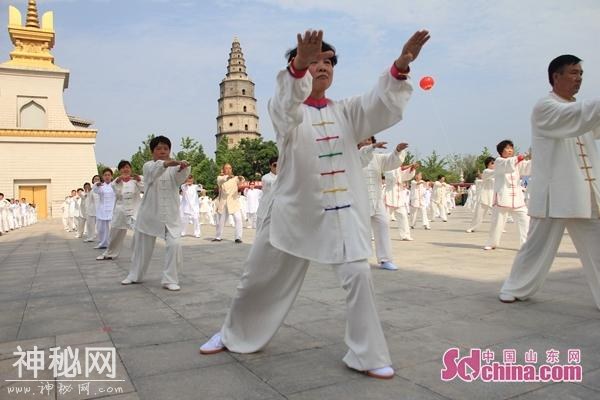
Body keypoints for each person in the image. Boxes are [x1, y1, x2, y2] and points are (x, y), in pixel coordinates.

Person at [199, 29, 430, 379]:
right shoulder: (289, 113)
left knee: (358, 275)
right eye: (315, 61)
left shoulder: (348, 112)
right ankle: (233, 335)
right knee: (257, 279)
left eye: (328, 62)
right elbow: (282, 106)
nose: (322, 67)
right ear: (301, 67)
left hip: (342, 215)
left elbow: (380, 104)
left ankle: (366, 355)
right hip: (293, 212)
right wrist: (297, 67)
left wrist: (400, 66)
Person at [499, 54, 600, 306]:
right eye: (573, 73)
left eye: (581, 74)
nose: (579, 79)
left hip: (583, 192)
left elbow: (590, 120)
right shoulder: (545, 107)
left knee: (597, 247)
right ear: (556, 76)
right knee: (536, 248)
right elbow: (577, 116)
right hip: (555, 194)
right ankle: (515, 287)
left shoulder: (577, 110)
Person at [121, 136, 190, 291]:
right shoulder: (148, 166)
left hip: (170, 216)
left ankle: (169, 279)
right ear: (152, 151)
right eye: (158, 149)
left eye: (166, 148)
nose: (162, 151)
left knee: (174, 244)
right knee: (142, 249)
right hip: (150, 215)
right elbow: (154, 172)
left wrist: (182, 168)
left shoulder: (174, 167)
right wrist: (167, 164)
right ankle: (135, 275)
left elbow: (179, 179)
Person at [359, 136, 409, 270]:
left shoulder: (378, 158)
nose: (367, 141)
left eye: (370, 140)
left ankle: (385, 259)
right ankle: (359, 259)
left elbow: (391, 161)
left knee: (383, 225)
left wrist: (397, 151)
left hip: (376, 200)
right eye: (365, 139)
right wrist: (371, 147)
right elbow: (361, 156)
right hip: (358, 201)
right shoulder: (352, 156)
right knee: (360, 231)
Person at [483, 140, 531, 250]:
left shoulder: (516, 162)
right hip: (503, 198)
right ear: (501, 151)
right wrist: (521, 156)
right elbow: (508, 165)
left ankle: (526, 244)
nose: (510, 150)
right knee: (497, 223)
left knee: (525, 221)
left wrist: (537, 157)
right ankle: (492, 243)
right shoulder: (499, 161)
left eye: (511, 148)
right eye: (507, 148)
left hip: (517, 199)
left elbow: (527, 167)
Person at [97, 160, 143, 260]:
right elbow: (117, 192)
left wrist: (139, 180)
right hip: (120, 211)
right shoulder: (116, 182)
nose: (125, 169)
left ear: (130, 169)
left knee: (139, 234)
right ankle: (110, 253)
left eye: (127, 167)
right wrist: (119, 181)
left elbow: (145, 188)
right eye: (122, 168)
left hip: (135, 211)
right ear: (119, 170)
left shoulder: (136, 180)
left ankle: (137, 256)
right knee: (114, 234)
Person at [384, 163, 417, 242]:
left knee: (403, 216)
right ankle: (376, 235)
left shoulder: (399, 171)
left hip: (399, 198)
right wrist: (406, 167)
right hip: (389, 197)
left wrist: (412, 169)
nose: (400, 165)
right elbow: (394, 174)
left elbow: (406, 176)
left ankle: (405, 235)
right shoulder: (388, 170)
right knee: (384, 219)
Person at [213, 163, 245, 243]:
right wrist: (228, 177)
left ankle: (238, 237)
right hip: (223, 202)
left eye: (230, 168)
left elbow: (241, 180)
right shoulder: (219, 178)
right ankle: (218, 237)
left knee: (238, 219)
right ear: (223, 170)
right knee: (221, 221)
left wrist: (241, 178)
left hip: (233, 202)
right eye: (226, 168)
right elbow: (222, 180)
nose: (228, 170)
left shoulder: (235, 178)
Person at [466, 157, 495, 233]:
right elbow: (495, 173)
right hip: (484, 196)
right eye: (492, 163)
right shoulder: (486, 171)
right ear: (487, 164)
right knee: (479, 214)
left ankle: (499, 228)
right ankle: (472, 227)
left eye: (494, 163)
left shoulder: (497, 174)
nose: (494, 164)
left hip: (494, 197)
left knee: (498, 214)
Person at [93, 168, 116, 249]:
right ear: (103, 176)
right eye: (105, 175)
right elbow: (95, 190)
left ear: (111, 176)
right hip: (102, 209)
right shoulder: (101, 186)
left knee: (111, 229)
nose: (107, 177)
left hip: (112, 209)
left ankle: (111, 244)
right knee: (101, 229)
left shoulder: (114, 185)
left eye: (108, 175)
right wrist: (96, 184)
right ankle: (103, 243)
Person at [83, 176, 100, 242]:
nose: (97, 180)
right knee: (90, 225)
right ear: (93, 181)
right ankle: (90, 237)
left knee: (99, 226)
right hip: (91, 210)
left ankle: (99, 238)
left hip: (99, 210)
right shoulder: (91, 190)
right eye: (95, 179)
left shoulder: (102, 188)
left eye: (98, 179)